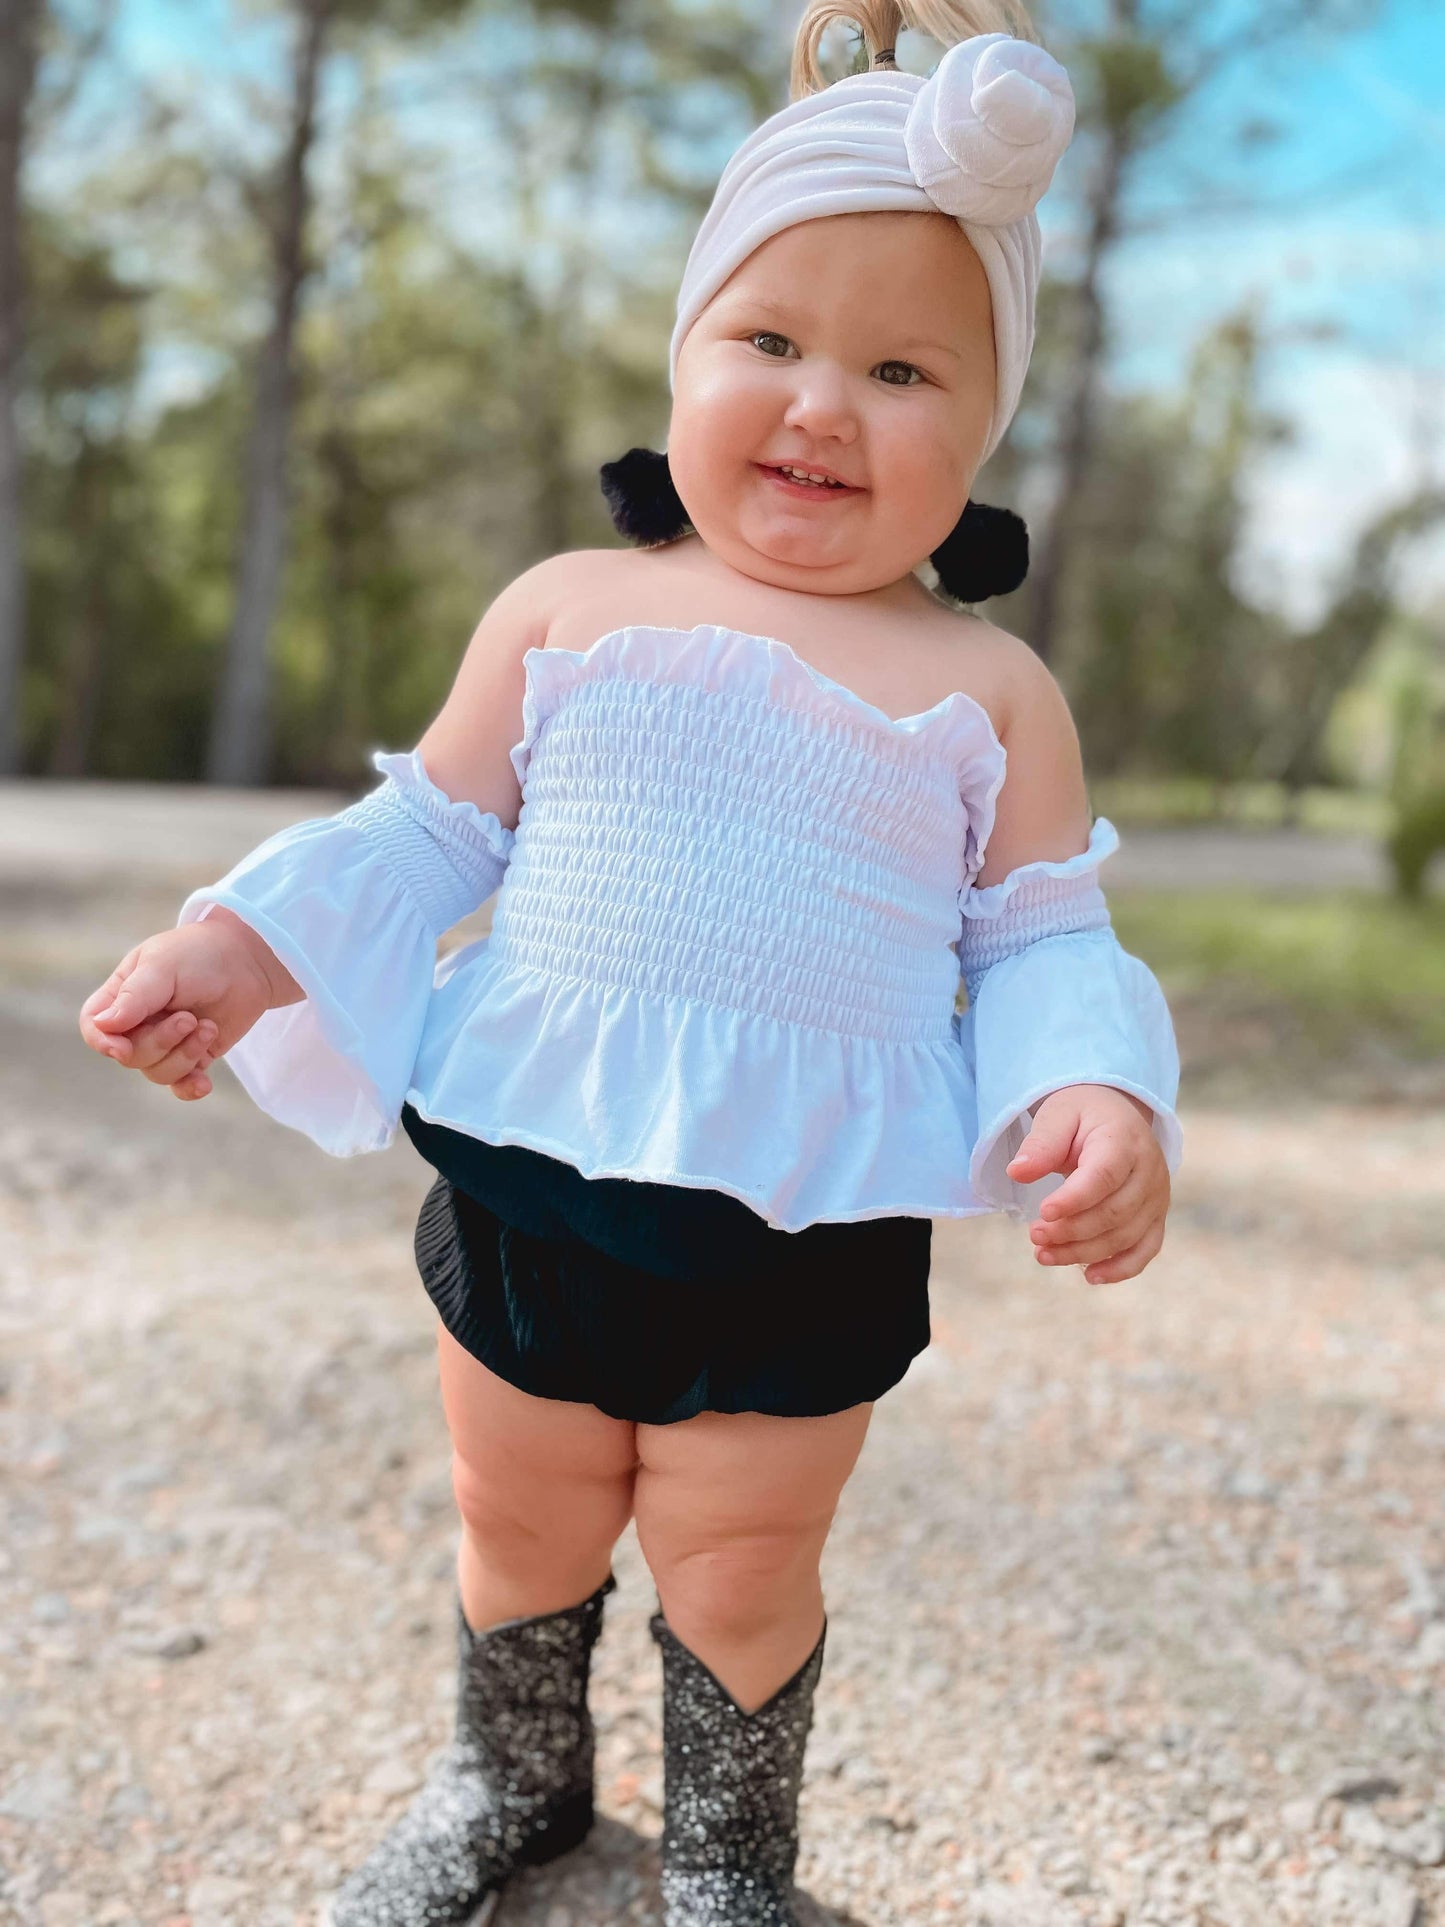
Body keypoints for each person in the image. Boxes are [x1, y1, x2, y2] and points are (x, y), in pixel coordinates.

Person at [78, 2, 1184, 1921]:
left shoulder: (986, 687)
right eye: (767, 341)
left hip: (799, 1222)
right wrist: (241, 941)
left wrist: (1092, 1087)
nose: (823, 404)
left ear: (983, 422)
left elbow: (1037, 935)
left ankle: (733, 1861)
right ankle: (506, 1781)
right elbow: (425, 829)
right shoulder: (573, 607)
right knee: (519, 1514)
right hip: (533, 1167)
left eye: (903, 367)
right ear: (682, 358)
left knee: (739, 1555)